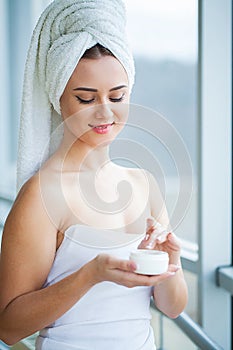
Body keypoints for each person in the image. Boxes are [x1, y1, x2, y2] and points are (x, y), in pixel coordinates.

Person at [0, 0, 188, 349]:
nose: (105, 113)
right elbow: (8, 327)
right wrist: (90, 275)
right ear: (59, 99)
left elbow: (172, 307)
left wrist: (171, 259)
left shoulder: (143, 185)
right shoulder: (42, 195)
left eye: (117, 96)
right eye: (86, 99)